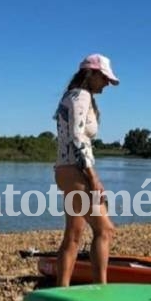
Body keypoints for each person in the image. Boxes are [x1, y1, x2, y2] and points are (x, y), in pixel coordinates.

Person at [53, 54, 119, 287]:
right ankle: (101, 289)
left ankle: (63, 291)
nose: (107, 84)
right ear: (91, 74)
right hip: (77, 172)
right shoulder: (81, 96)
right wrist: (93, 178)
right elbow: (78, 137)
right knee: (105, 230)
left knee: (73, 236)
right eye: (104, 79)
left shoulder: (69, 96)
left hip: (65, 169)